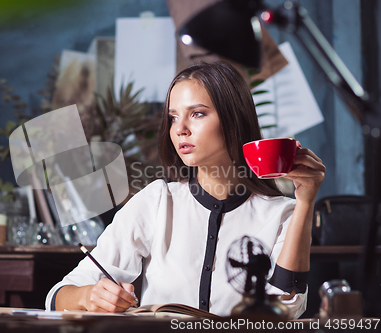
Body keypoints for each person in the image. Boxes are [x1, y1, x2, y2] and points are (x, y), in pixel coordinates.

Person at [45, 61, 326, 318]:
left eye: (198, 114)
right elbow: (59, 295)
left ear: (233, 120)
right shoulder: (156, 202)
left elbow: (287, 307)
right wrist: (88, 296)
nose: (180, 129)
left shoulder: (283, 214)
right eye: (173, 117)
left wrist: (305, 201)